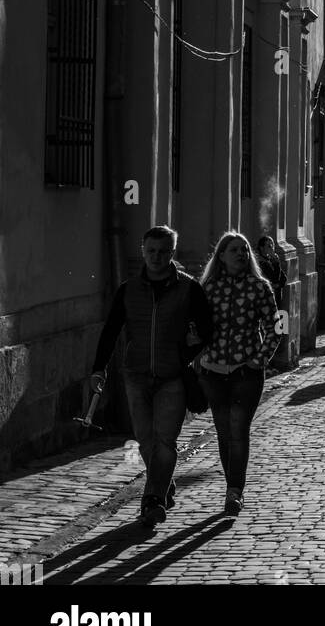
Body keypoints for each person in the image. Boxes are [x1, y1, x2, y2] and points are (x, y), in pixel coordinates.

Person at [90, 225, 213, 528]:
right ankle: (163, 482)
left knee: (165, 441)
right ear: (143, 252)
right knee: (146, 441)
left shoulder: (189, 288)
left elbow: (208, 329)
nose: (156, 257)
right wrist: (98, 368)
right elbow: (110, 331)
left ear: (172, 252)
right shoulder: (129, 289)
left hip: (172, 377)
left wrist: (188, 354)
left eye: (163, 251)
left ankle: (153, 500)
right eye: (151, 251)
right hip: (136, 375)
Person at [199, 231, 279, 516]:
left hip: (247, 371)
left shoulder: (260, 287)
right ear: (221, 256)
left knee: (238, 430)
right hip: (213, 370)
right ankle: (231, 485)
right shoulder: (208, 288)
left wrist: (260, 359)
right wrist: (198, 356)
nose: (241, 254)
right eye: (234, 250)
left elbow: (275, 326)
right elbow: (196, 327)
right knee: (223, 432)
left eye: (244, 250)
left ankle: (235, 491)